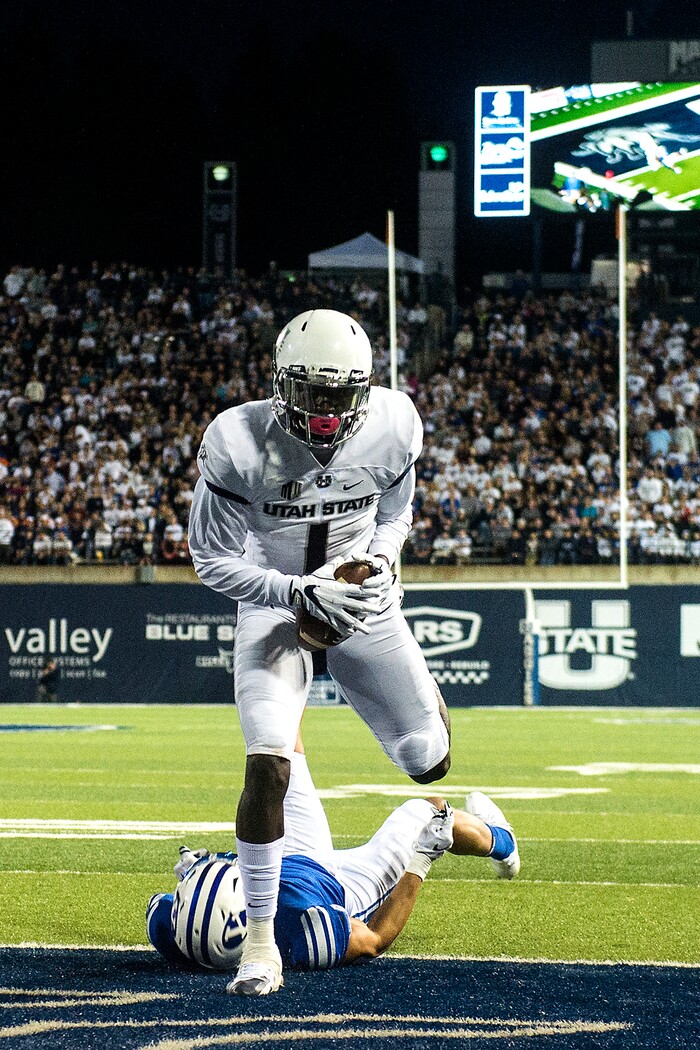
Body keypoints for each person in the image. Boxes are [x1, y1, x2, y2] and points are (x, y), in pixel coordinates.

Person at [187, 309, 453, 995]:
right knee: (268, 763)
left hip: (362, 600)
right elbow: (211, 560)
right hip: (273, 601)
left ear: (365, 390)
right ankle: (260, 942)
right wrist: (296, 591)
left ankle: (425, 723)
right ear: (281, 383)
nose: (328, 412)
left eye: (341, 396)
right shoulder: (238, 439)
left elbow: (394, 514)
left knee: (428, 760)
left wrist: (384, 563)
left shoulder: (395, 423)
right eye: (312, 393)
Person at [146, 740, 520, 982]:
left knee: (280, 747)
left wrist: (207, 870)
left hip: (288, 854)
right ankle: (503, 842)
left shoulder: (169, 925)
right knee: (429, 812)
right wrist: (421, 859)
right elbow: (374, 938)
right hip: (344, 887)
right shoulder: (303, 931)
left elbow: (191, 903)